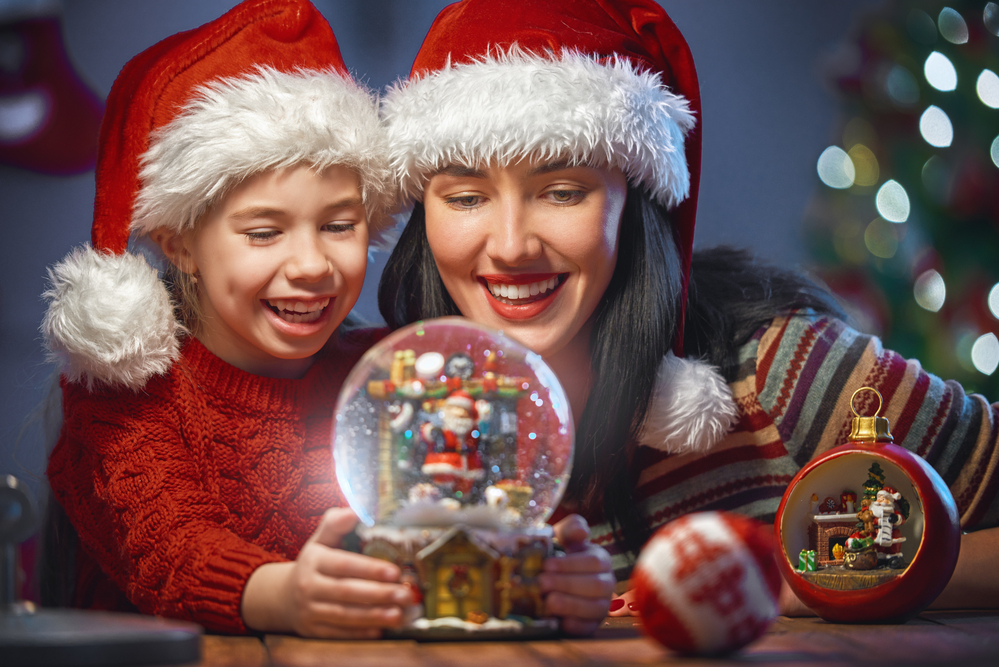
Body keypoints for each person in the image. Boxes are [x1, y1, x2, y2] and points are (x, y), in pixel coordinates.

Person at [377, 0, 999, 617]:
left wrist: (806, 581)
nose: (511, 245)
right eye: (464, 197)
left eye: (563, 191)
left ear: (639, 207)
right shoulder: (406, 429)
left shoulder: (780, 373)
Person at [40, 0, 409, 638]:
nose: (312, 264)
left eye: (339, 225)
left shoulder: (387, 378)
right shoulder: (124, 398)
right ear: (178, 243)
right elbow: (169, 550)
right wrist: (288, 594)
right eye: (264, 232)